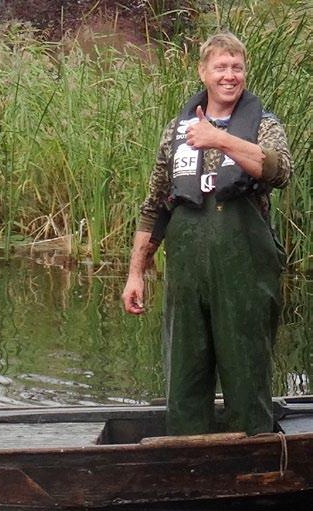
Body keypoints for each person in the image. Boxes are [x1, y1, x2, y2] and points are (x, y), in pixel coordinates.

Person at [121, 32, 293, 436]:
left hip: (245, 268)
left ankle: (255, 456)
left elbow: (279, 170)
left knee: (247, 368)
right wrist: (135, 273)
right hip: (187, 268)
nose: (229, 75)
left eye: (237, 67)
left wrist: (219, 138)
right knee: (186, 373)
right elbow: (155, 206)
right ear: (204, 73)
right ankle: (186, 457)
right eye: (221, 67)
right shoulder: (175, 131)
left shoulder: (264, 125)